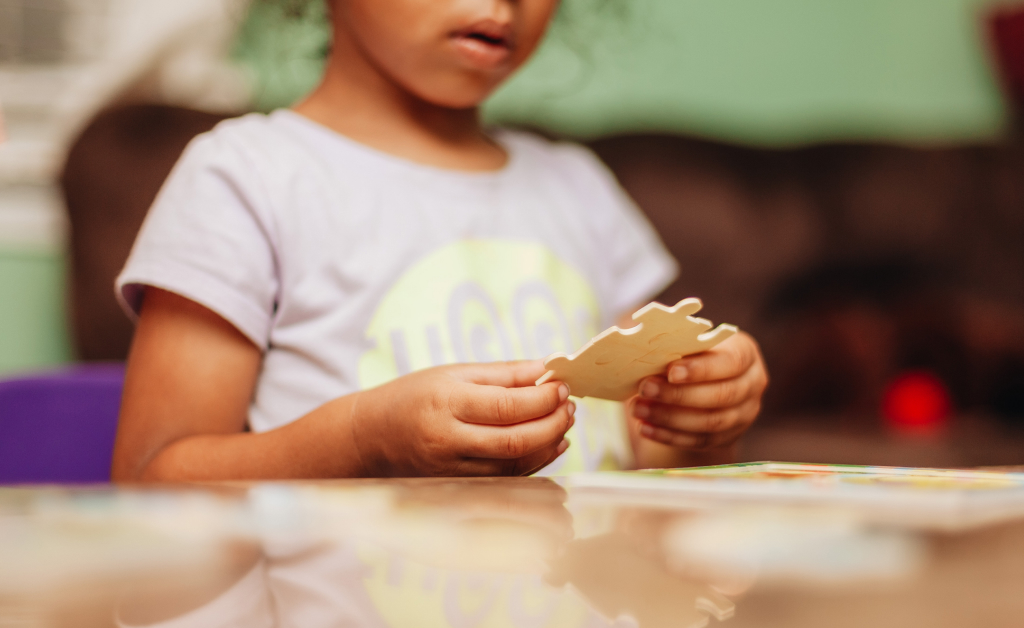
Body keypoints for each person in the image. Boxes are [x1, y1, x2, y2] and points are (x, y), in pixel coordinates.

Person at [110, 0, 769, 482]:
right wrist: (365, 440)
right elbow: (151, 482)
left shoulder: (580, 189)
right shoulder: (246, 178)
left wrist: (704, 418)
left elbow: (656, 465)